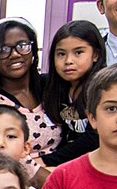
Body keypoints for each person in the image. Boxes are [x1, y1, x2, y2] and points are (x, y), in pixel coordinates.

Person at [0, 19, 60, 163]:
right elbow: (2, 158)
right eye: (3, 50)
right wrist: (54, 182)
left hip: (62, 172)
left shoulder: (50, 87)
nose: (14, 54)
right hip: (18, 180)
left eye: (22, 45)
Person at [43, 19, 106, 167]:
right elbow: (19, 80)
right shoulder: (51, 84)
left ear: (95, 55)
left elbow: (93, 139)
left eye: (78, 52)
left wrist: (46, 161)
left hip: (98, 166)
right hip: (64, 167)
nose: (68, 61)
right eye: (61, 54)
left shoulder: (105, 88)